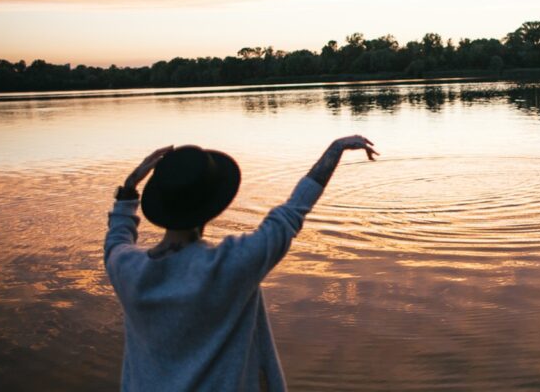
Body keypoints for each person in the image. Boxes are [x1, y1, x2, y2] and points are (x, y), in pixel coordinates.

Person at [104, 135, 378, 391]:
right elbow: (294, 211)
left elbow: (116, 238)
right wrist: (336, 148)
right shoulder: (231, 264)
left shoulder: (126, 269)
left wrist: (128, 189)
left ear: (162, 203)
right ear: (213, 205)